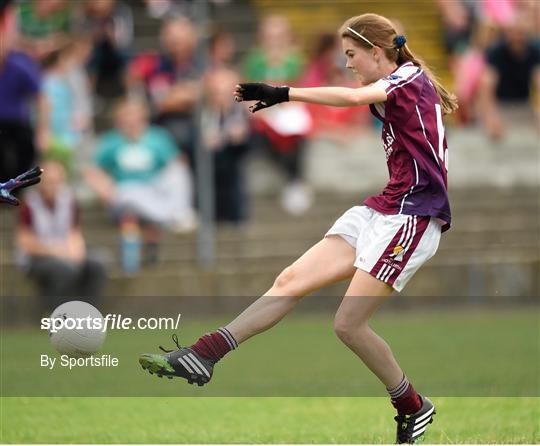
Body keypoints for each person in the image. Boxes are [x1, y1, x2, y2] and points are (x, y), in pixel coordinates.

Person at [139, 13, 458, 444]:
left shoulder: (405, 78)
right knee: (289, 280)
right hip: (383, 209)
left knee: (348, 325)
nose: (347, 64)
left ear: (376, 53)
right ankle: (205, 353)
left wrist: (285, 92)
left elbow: (353, 97)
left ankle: (413, 405)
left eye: (351, 54)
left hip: (414, 217)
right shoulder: (400, 81)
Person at [16, 159, 106, 311]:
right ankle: (55, 314)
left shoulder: (69, 200)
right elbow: (25, 241)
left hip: (65, 251)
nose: (53, 185)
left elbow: (74, 232)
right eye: (49, 181)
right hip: (38, 257)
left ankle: (87, 313)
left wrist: (76, 252)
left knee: (97, 263)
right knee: (63, 270)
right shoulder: (29, 203)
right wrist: (56, 251)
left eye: (57, 181)